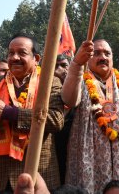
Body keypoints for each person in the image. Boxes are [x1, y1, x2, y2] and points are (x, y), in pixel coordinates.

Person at [0, 33, 64, 193]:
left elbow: (56, 120)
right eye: (11, 53)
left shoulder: (49, 82)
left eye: (22, 53)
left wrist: (8, 112)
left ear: (36, 58)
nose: (14, 57)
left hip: (37, 173)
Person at [62, 39, 119, 193]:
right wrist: (76, 64)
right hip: (88, 161)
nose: (102, 57)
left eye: (107, 53)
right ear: (88, 57)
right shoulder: (79, 81)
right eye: (96, 53)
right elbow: (68, 99)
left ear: (112, 57)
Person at [53, 54, 73, 185]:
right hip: (51, 154)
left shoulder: (81, 90)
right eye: (55, 66)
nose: (59, 70)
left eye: (64, 65)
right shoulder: (40, 91)